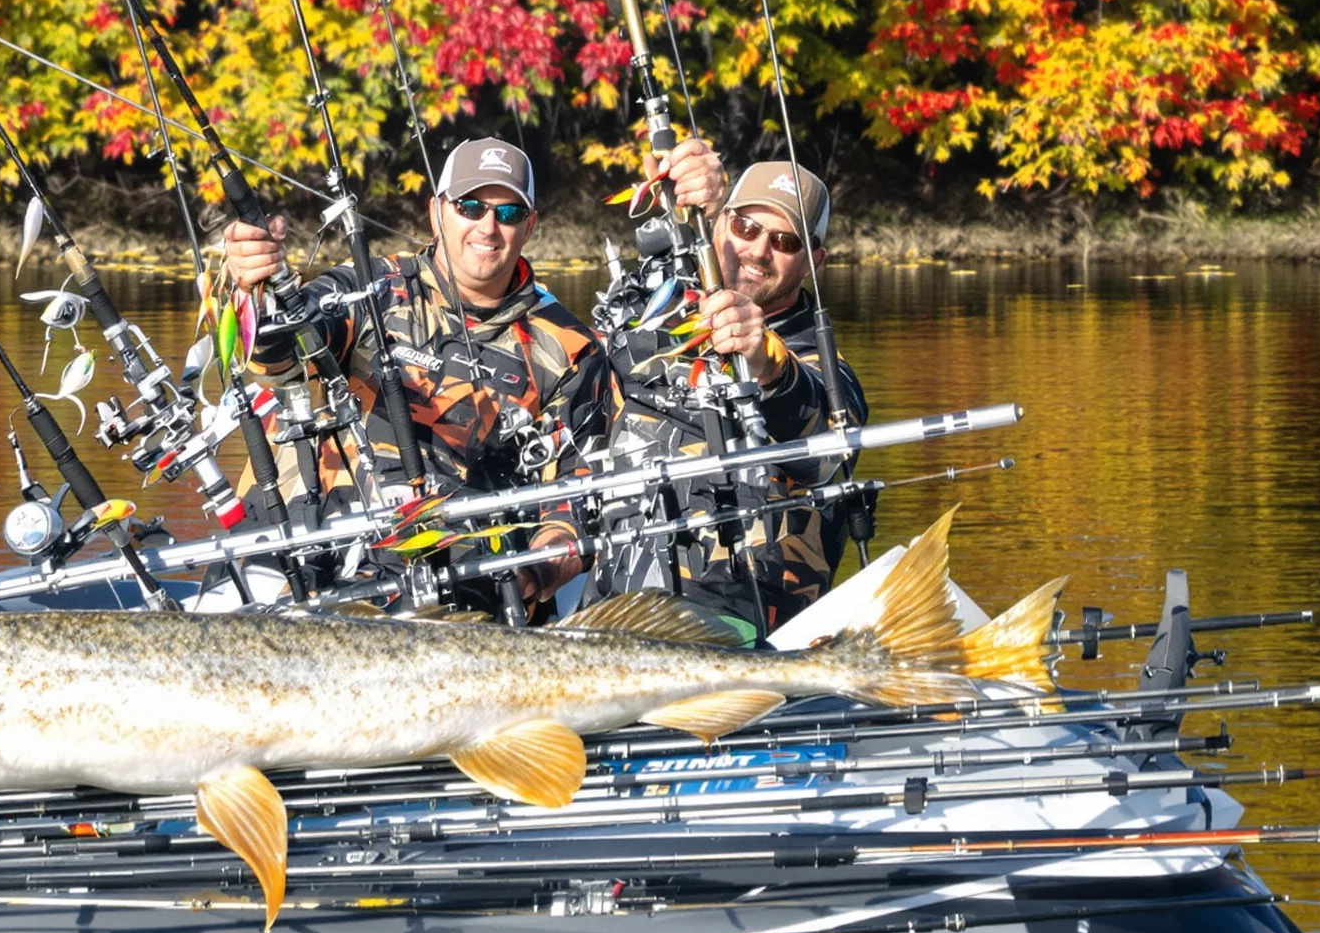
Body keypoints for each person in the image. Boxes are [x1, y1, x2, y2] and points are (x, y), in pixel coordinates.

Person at [220, 139, 603, 611]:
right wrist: (259, 288)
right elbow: (280, 358)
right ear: (436, 212)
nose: (488, 227)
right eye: (470, 207)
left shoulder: (570, 346)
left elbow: (577, 497)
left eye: (507, 213)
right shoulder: (368, 287)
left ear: (529, 226)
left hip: (457, 571)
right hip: (320, 539)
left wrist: (535, 573)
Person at [591, 143, 867, 639]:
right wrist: (688, 181)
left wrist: (764, 360)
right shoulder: (657, 314)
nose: (759, 250)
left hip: (738, 619)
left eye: (785, 241)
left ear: (814, 261)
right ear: (720, 225)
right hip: (611, 600)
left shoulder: (818, 362)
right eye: (746, 227)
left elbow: (825, 443)